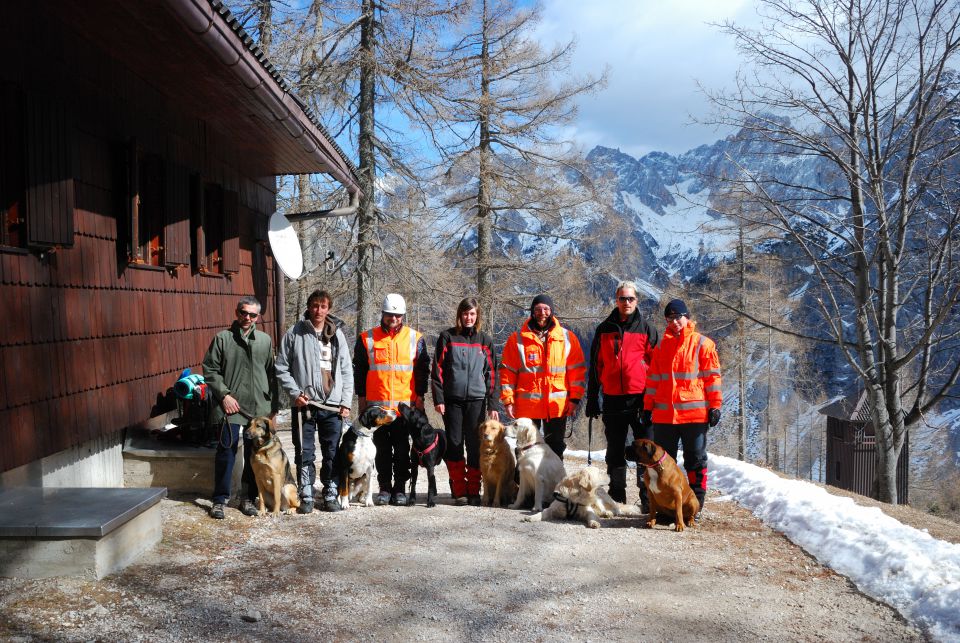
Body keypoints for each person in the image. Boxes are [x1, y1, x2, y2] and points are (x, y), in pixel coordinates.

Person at [275, 289, 354, 514]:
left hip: (332, 404)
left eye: (323, 306)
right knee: (304, 451)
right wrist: (294, 393)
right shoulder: (294, 333)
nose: (318, 310)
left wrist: (345, 402)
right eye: (315, 306)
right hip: (305, 405)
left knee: (331, 451)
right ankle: (306, 491)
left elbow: (347, 370)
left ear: (328, 309)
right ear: (309, 307)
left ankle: (330, 490)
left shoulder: (337, 335)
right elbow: (281, 367)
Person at [202, 296, 280, 519]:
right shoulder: (223, 339)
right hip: (230, 407)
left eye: (252, 315)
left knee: (254, 454)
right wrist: (224, 395)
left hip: (258, 408)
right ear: (237, 313)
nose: (247, 318)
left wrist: (273, 409)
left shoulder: (264, 341)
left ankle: (248, 498)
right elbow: (210, 370)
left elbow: (271, 374)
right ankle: (219, 500)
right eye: (243, 313)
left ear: (258, 316)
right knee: (226, 450)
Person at [643, 298, 722, 515]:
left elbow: (712, 378)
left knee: (695, 460)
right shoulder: (662, 347)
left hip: (694, 416)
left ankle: (695, 506)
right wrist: (647, 406)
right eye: (670, 318)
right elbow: (653, 379)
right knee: (661, 463)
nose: (675, 322)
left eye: (678, 317)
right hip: (664, 416)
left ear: (687, 317)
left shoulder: (703, 344)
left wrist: (715, 405)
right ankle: (663, 507)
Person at [585, 281, 659, 509]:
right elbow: (596, 366)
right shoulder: (604, 329)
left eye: (630, 299)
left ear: (637, 301)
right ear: (616, 300)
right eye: (622, 299)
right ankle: (617, 498)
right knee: (614, 451)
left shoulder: (647, 329)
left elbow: (657, 368)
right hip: (612, 399)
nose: (626, 303)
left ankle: (648, 500)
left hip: (641, 401)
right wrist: (592, 398)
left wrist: (654, 399)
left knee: (646, 453)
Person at [353, 293, 430, 506]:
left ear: (402, 315)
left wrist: (420, 397)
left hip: (403, 408)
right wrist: (361, 399)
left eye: (397, 315)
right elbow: (359, 371)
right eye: (389, 315)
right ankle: (384, 488)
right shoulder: (367, 338)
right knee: (382, 451)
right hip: (377, 409)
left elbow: (423, 370)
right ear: (383, 314)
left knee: (403, 450)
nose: (393, 319)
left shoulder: (416, 338)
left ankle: (400, 489)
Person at [499, 294, 587, 459]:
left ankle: (553, 485)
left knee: (555, 451)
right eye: (538, 309)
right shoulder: (517, 339)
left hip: (556, 406)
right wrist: (508, 400)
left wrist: (574, 399)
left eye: (546, 309)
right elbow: (507, 372)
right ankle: (523, 484)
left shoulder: (567, 338)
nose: (542, 313)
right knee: (524, 450)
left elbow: (577, 371)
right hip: (527, 405)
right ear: (532, 312)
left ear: (552, 311)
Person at [431, 297, 500, 507]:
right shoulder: (448, 337)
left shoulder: (485, 340)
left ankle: (473, 490)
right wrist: (439, 398)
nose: (469, 318)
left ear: (477, 315)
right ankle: (459, 490)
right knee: (454, 443)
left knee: (474, 444)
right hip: (452, 401)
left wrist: (493, 404)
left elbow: (492, 374)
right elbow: (438, 371)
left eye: (472, 314)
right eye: (465, 313)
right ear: (460, 315)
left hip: (477, 402)